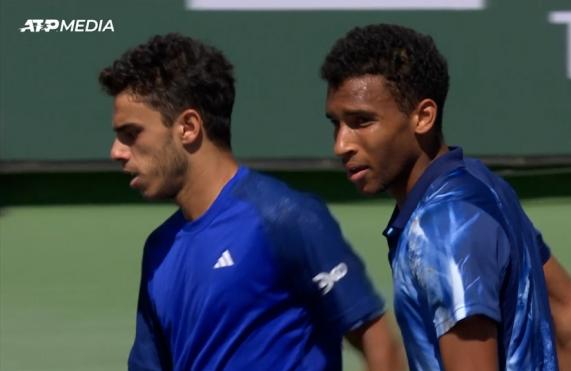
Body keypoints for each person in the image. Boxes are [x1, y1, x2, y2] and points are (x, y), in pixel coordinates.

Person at [99, 33, 404, 371]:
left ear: (188, 127)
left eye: (131, 134)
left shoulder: (285, 217)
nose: (116, 151)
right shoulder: (158, 249)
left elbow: (380, 347)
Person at [321, 23, 571, 371]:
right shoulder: (480, 185)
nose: (341, 144)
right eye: (336, 123)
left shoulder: (444, 229)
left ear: (423, 117)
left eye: (361, 121)